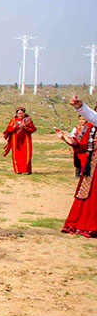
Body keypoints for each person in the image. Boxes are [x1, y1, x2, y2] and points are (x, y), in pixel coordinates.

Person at [58, 96, 97, 237]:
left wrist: (81, 107)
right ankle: (85, 224)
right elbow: (85, 146)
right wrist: (71, 141)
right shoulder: (92, 128)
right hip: (92, 166)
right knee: (88, 195)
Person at [2, 107, 36, 175]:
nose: (20, 115)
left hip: (26, 141)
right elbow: (9, 129)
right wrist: (14, 127)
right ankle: (18, 170)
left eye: (21, 113)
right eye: (19, 113)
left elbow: (33, 129)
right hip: (15, 141)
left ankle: (26, 170)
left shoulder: (28, 120)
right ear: (16, 114)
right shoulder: (13, 120)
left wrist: (25, 128)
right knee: (17, 156)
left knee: (26, 155)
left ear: (24, 113)